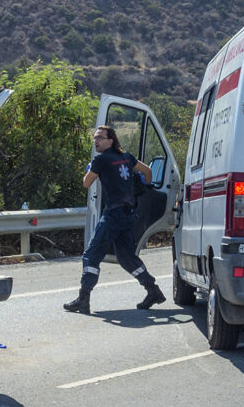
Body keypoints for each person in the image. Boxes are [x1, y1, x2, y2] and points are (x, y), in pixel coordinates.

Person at [62, 124, 166, 315]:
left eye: (100, 138)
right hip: (128, 215)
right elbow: (148, 173)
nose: (96, 141)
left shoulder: (100, 160)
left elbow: (86, 183)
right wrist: (145, 186)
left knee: (91, 255)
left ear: (111, 140)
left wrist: (90, 169)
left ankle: (83, 299)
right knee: (127, 258)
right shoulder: (127, 157)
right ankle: (153, 291)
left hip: (112, 216)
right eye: (95, 137)